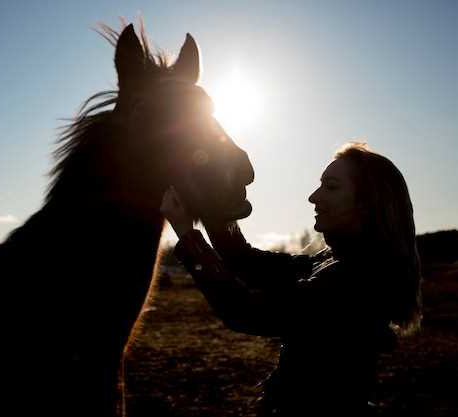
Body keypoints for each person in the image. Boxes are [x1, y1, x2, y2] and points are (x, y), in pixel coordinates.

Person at [160, 142, 422, 416]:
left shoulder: (357, 279)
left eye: (331, 186)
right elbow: (246, 261)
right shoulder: (333, 263)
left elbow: (244, 311)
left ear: (369, 203)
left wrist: (186, 234)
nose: (313, 197)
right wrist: (213, 209)